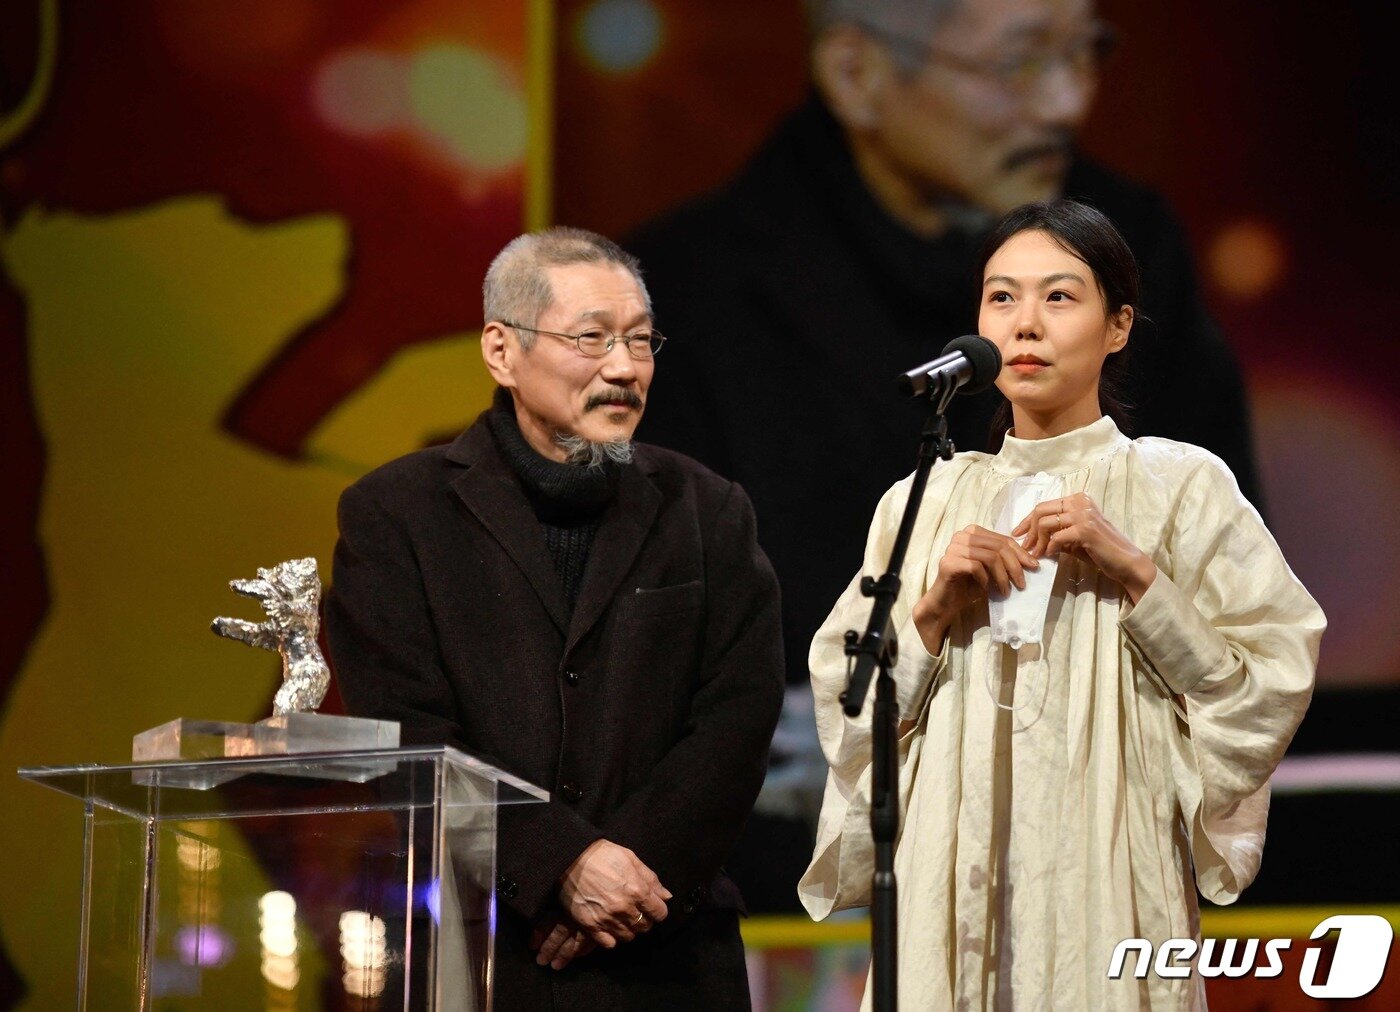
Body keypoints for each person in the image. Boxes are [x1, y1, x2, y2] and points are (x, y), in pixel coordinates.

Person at [625, 0, 1265, 912]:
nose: (1064, 102)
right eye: (1017, 64)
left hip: (1100, 841)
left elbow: (1234, 603)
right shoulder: (694, 287)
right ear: (857, 75)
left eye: (1082, 54)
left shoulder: (1132, 246)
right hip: (800, 866)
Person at [798, 199, 1322, 1009]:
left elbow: (1267, 685)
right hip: (948, 888)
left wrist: (1139, 575)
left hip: (1108, 883)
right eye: (1001, 298)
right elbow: (848, 705)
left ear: (1118, 326)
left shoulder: (1180, 487)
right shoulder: (922, 502)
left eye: (1059, 297)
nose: (1025, 325)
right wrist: (933, 608)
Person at [324, 227, 785, 1009]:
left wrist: (625, 868)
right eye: (593, 339)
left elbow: (737, 717)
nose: (625, 368)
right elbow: (405, 727)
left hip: (668, 944)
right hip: (484, 946)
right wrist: (557, 863)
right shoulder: (397, 515)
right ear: (501, 351)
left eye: (641, 341)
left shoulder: (707, 510)